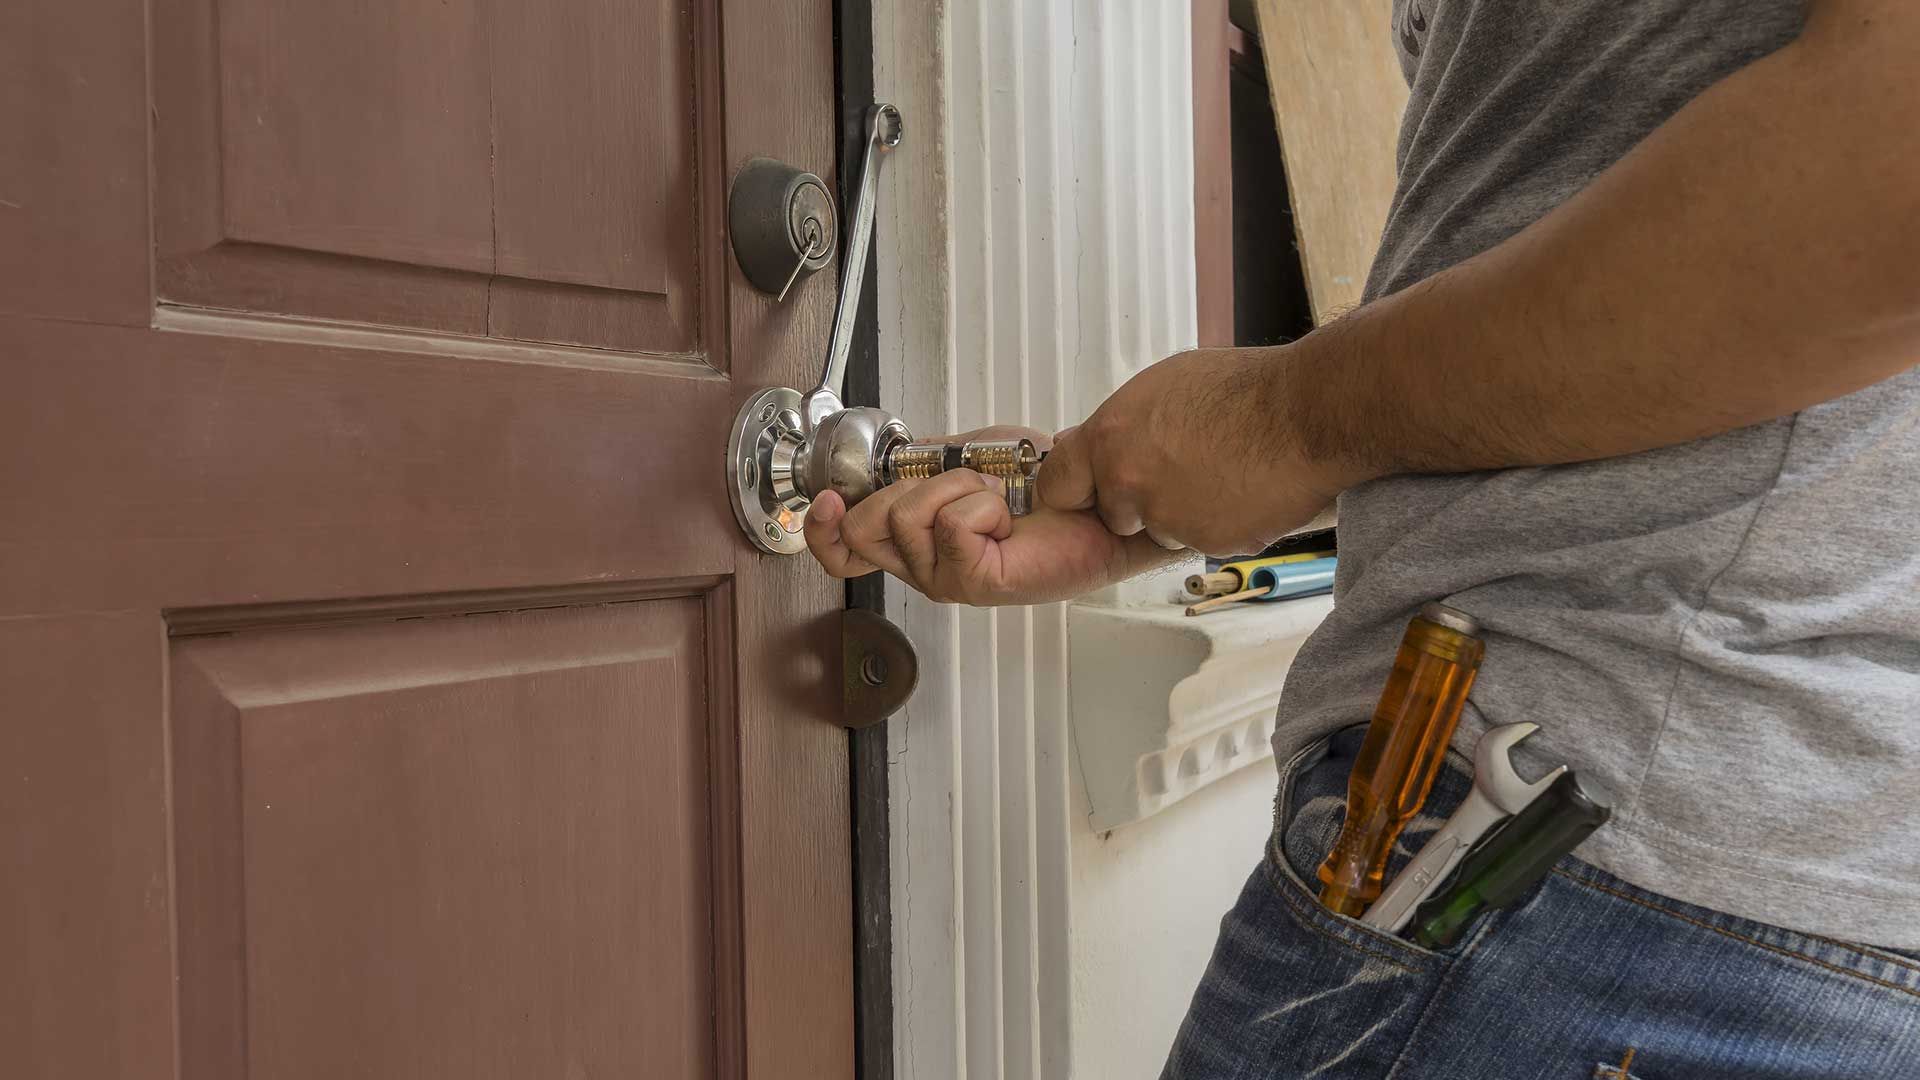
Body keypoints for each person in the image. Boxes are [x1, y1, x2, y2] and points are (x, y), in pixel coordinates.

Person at [806, 0, 1920, 1075]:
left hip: (1566, 881)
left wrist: (1282, 417)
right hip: (1724, 894)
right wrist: (1150, 505)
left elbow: (1889, 172)